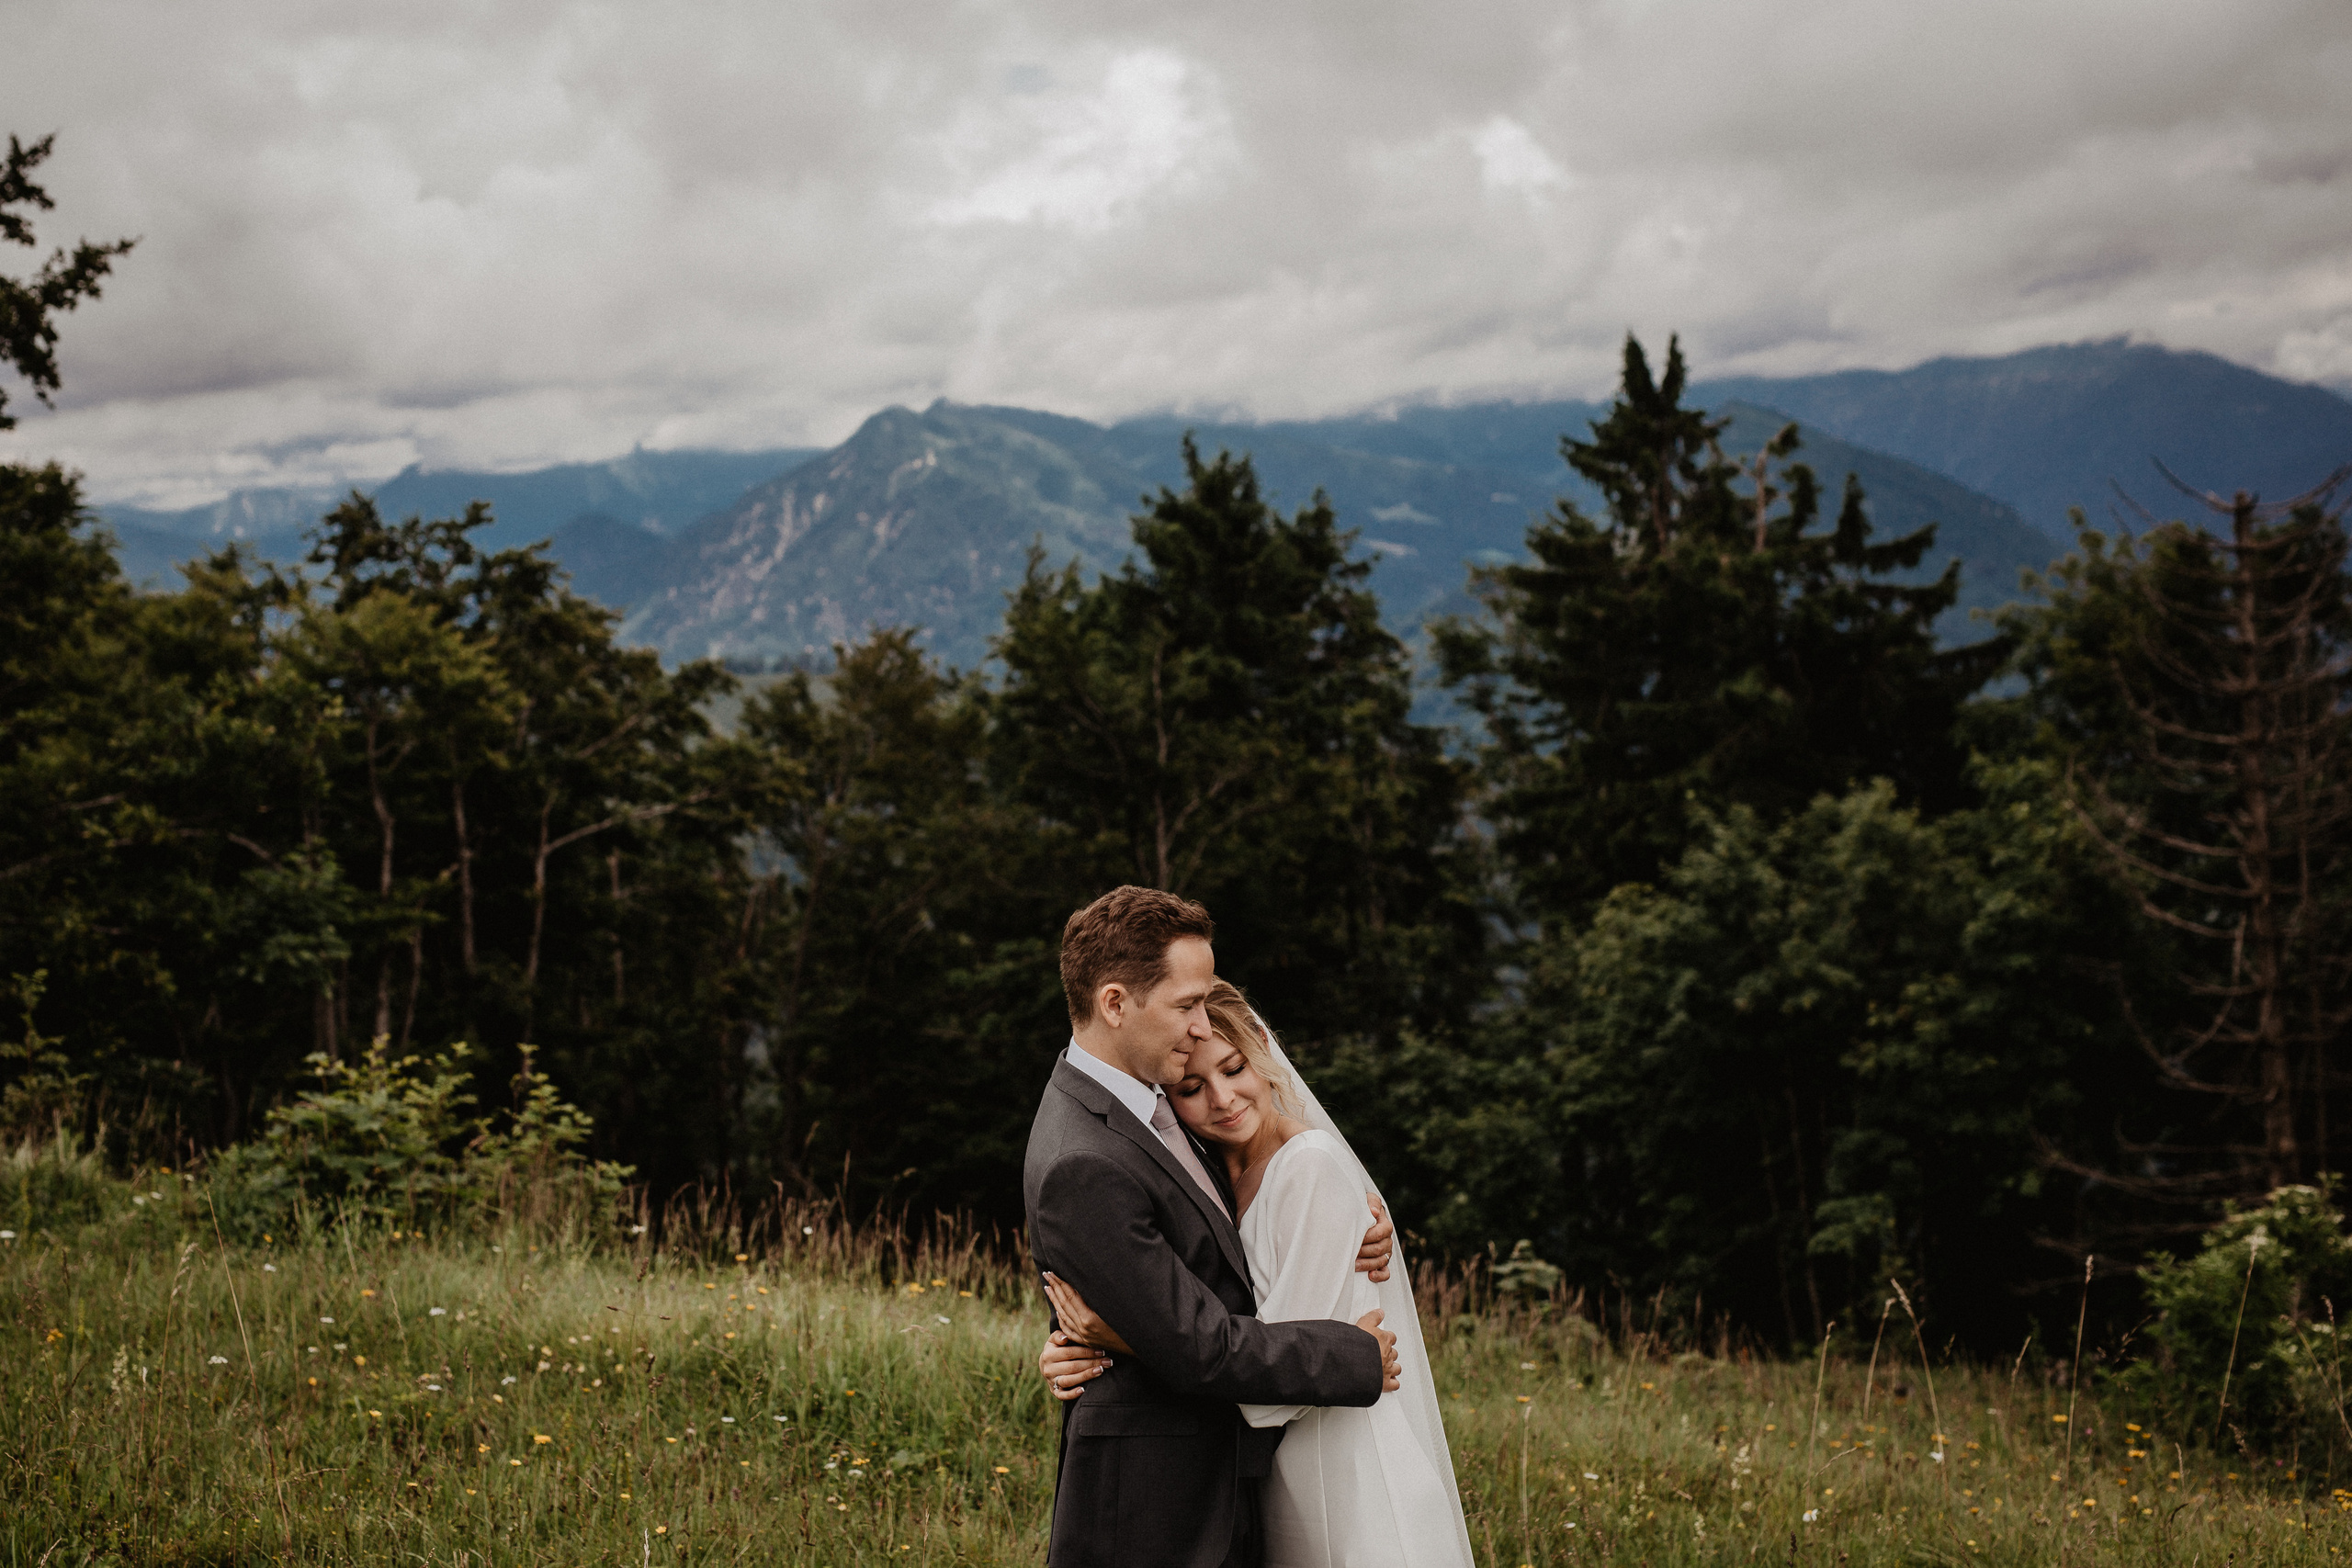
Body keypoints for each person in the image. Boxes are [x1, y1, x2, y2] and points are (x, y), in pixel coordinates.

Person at [1036, 979, 1476, 1568]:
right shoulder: (1214, 1173)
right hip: (1274, 1479)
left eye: (1235, 1068)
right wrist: (1091, 1339)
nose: (1222, 1099)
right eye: (1192, 1087)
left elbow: (1266, 1401)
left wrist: (1125, 1339)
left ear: (1264, 1054)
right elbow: (1188, 1293)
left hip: (1343, 1475)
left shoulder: (1308, 1171)